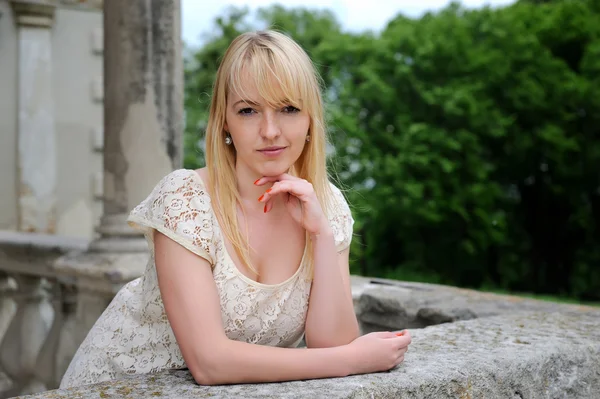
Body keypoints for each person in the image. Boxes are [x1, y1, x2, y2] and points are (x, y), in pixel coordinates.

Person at [59, 30, 411, 389]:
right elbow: (210, 364)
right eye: (248, 111)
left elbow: (331, 341)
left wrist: (320, 234)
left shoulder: (327, 204)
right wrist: (353, 360)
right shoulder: (185, 199)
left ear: (310, 119)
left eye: (288, 108)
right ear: (224, 121)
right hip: (116, 385)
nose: (270, 130)